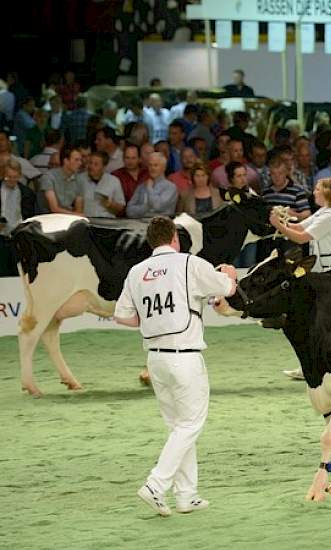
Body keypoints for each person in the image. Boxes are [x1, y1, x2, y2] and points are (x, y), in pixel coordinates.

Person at [114, 216, 238, 517]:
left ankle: (186, 495)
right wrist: (231, 273)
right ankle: (156, 484)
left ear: (151, 241)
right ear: (175, 238)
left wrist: (152, 320)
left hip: (155, 358)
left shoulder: (136, 271)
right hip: (184, 355)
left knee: (178, 427)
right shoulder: (189, 263)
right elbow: (227, 289)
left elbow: (122, 316)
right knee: (190, 424)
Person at [0, 160, 37, 276]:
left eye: (14, 177)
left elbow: (30, 217)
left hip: (19, 239)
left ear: (20, 176)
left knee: (18, 274)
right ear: (2, 175)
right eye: (8, 177)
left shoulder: (27, 193)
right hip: (0, 237)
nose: (11, 180)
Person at [126, 153, 178, 218]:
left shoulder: (170, 187)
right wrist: (147, 207)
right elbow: (129, 211)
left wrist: (149, 188)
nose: (152, 168)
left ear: (164, 168)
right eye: (150, 165)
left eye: (156, 165)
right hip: (139, 225)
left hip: (161, 225)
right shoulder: (141, 186)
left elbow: (158, 206)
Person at [39, 145, 85, 215]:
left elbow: (79, 208)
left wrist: (77, 215)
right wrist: (75, 215)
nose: (80, 163)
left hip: (68, 216)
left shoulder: (79, 179)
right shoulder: (49, 177)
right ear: (66, 161)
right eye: (76, 160)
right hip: (48, 217)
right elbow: (54, 208)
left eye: (80, 160)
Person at [83, 151, 125, 218]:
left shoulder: (114, 181)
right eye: (90, 163)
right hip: (86, 221)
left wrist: (110, 204)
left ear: (104, 167)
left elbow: (121, 208)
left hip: (106, 223)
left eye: (96, 164)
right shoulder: (80, 179)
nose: (91, 166)